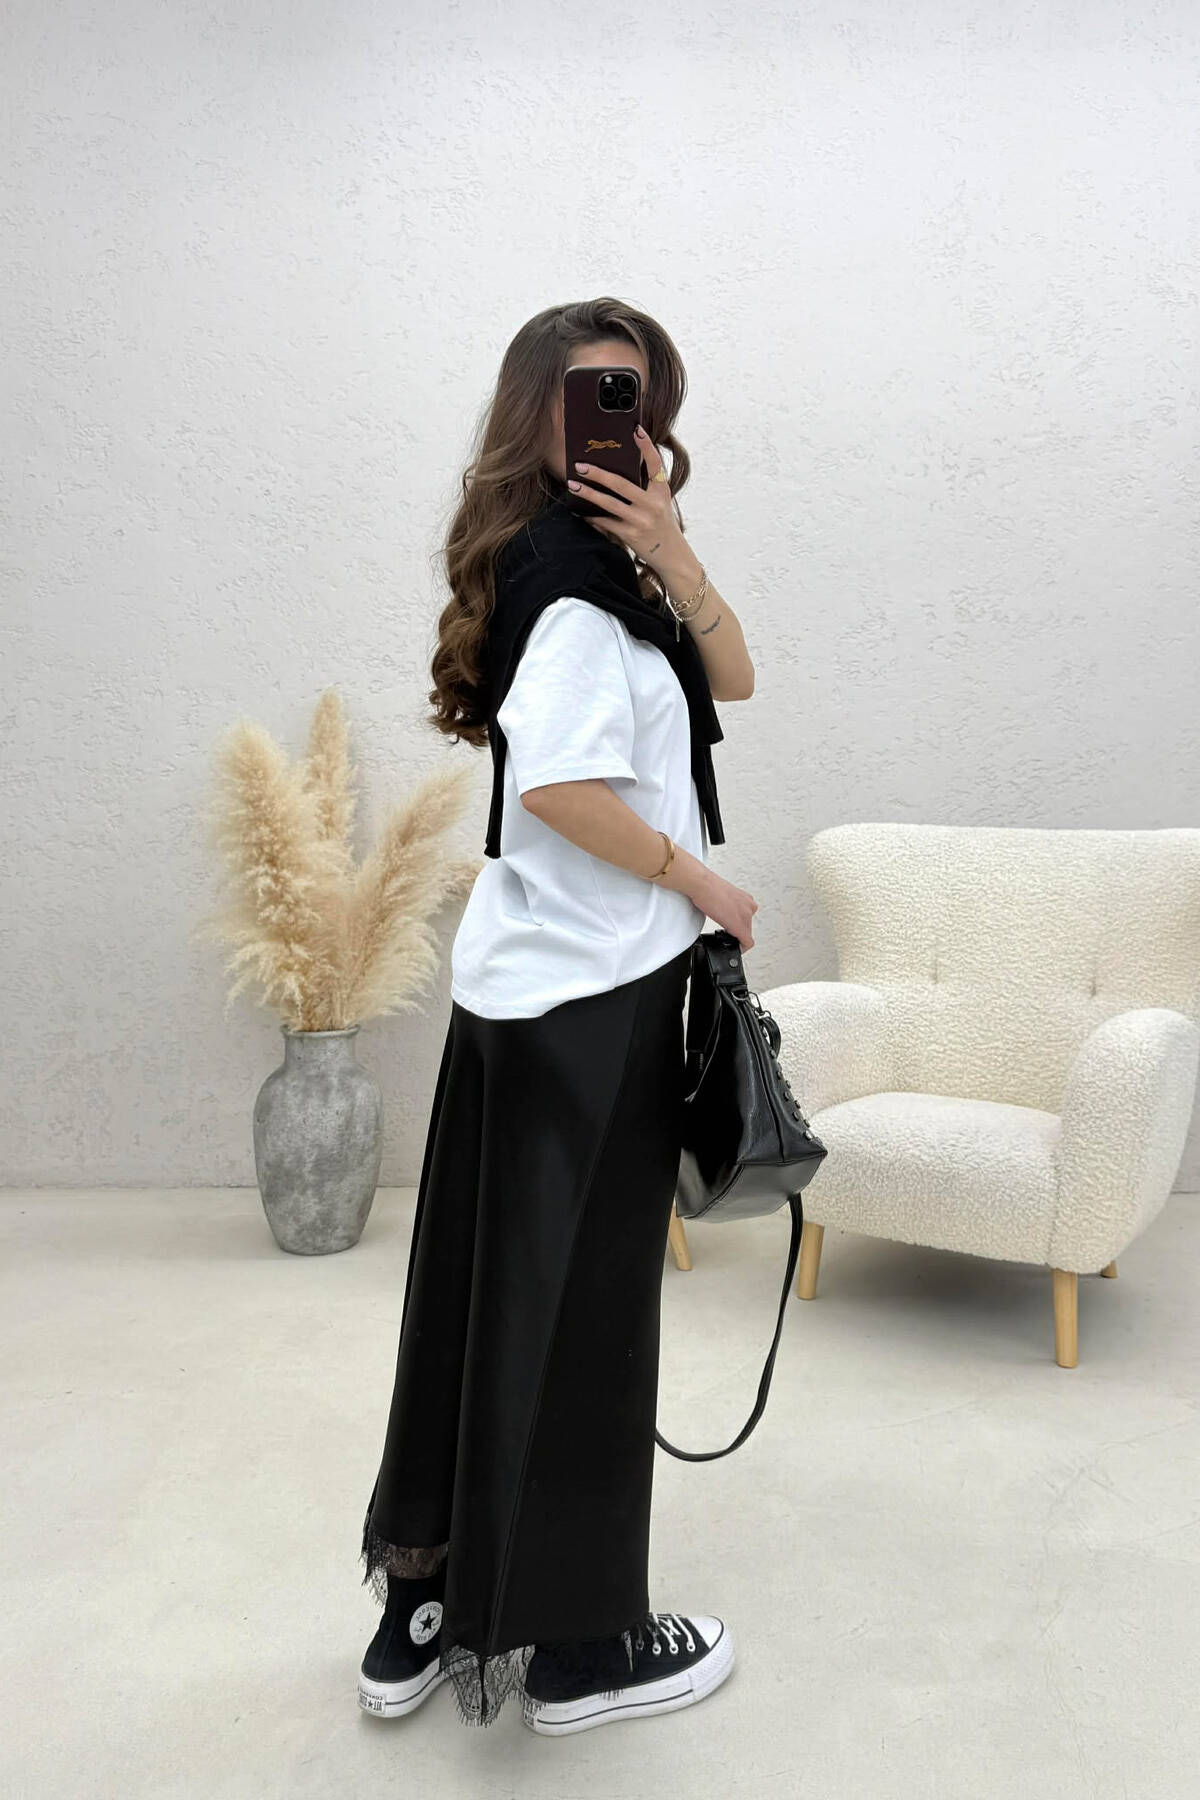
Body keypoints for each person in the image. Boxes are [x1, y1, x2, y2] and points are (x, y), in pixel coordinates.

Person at [356, 296, 758, 1734]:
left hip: (521, 989)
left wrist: (676, 550)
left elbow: (734, 677)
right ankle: (585, 1650)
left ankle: (421, 1603)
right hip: (598, 998)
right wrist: (702, 884)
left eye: (638, 397)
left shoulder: (582, 570)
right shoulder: (580, 596)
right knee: (587, 1322)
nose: (620, 421)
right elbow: (561, 791)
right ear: (534, 409)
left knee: (476, 1300)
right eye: (591, 392)